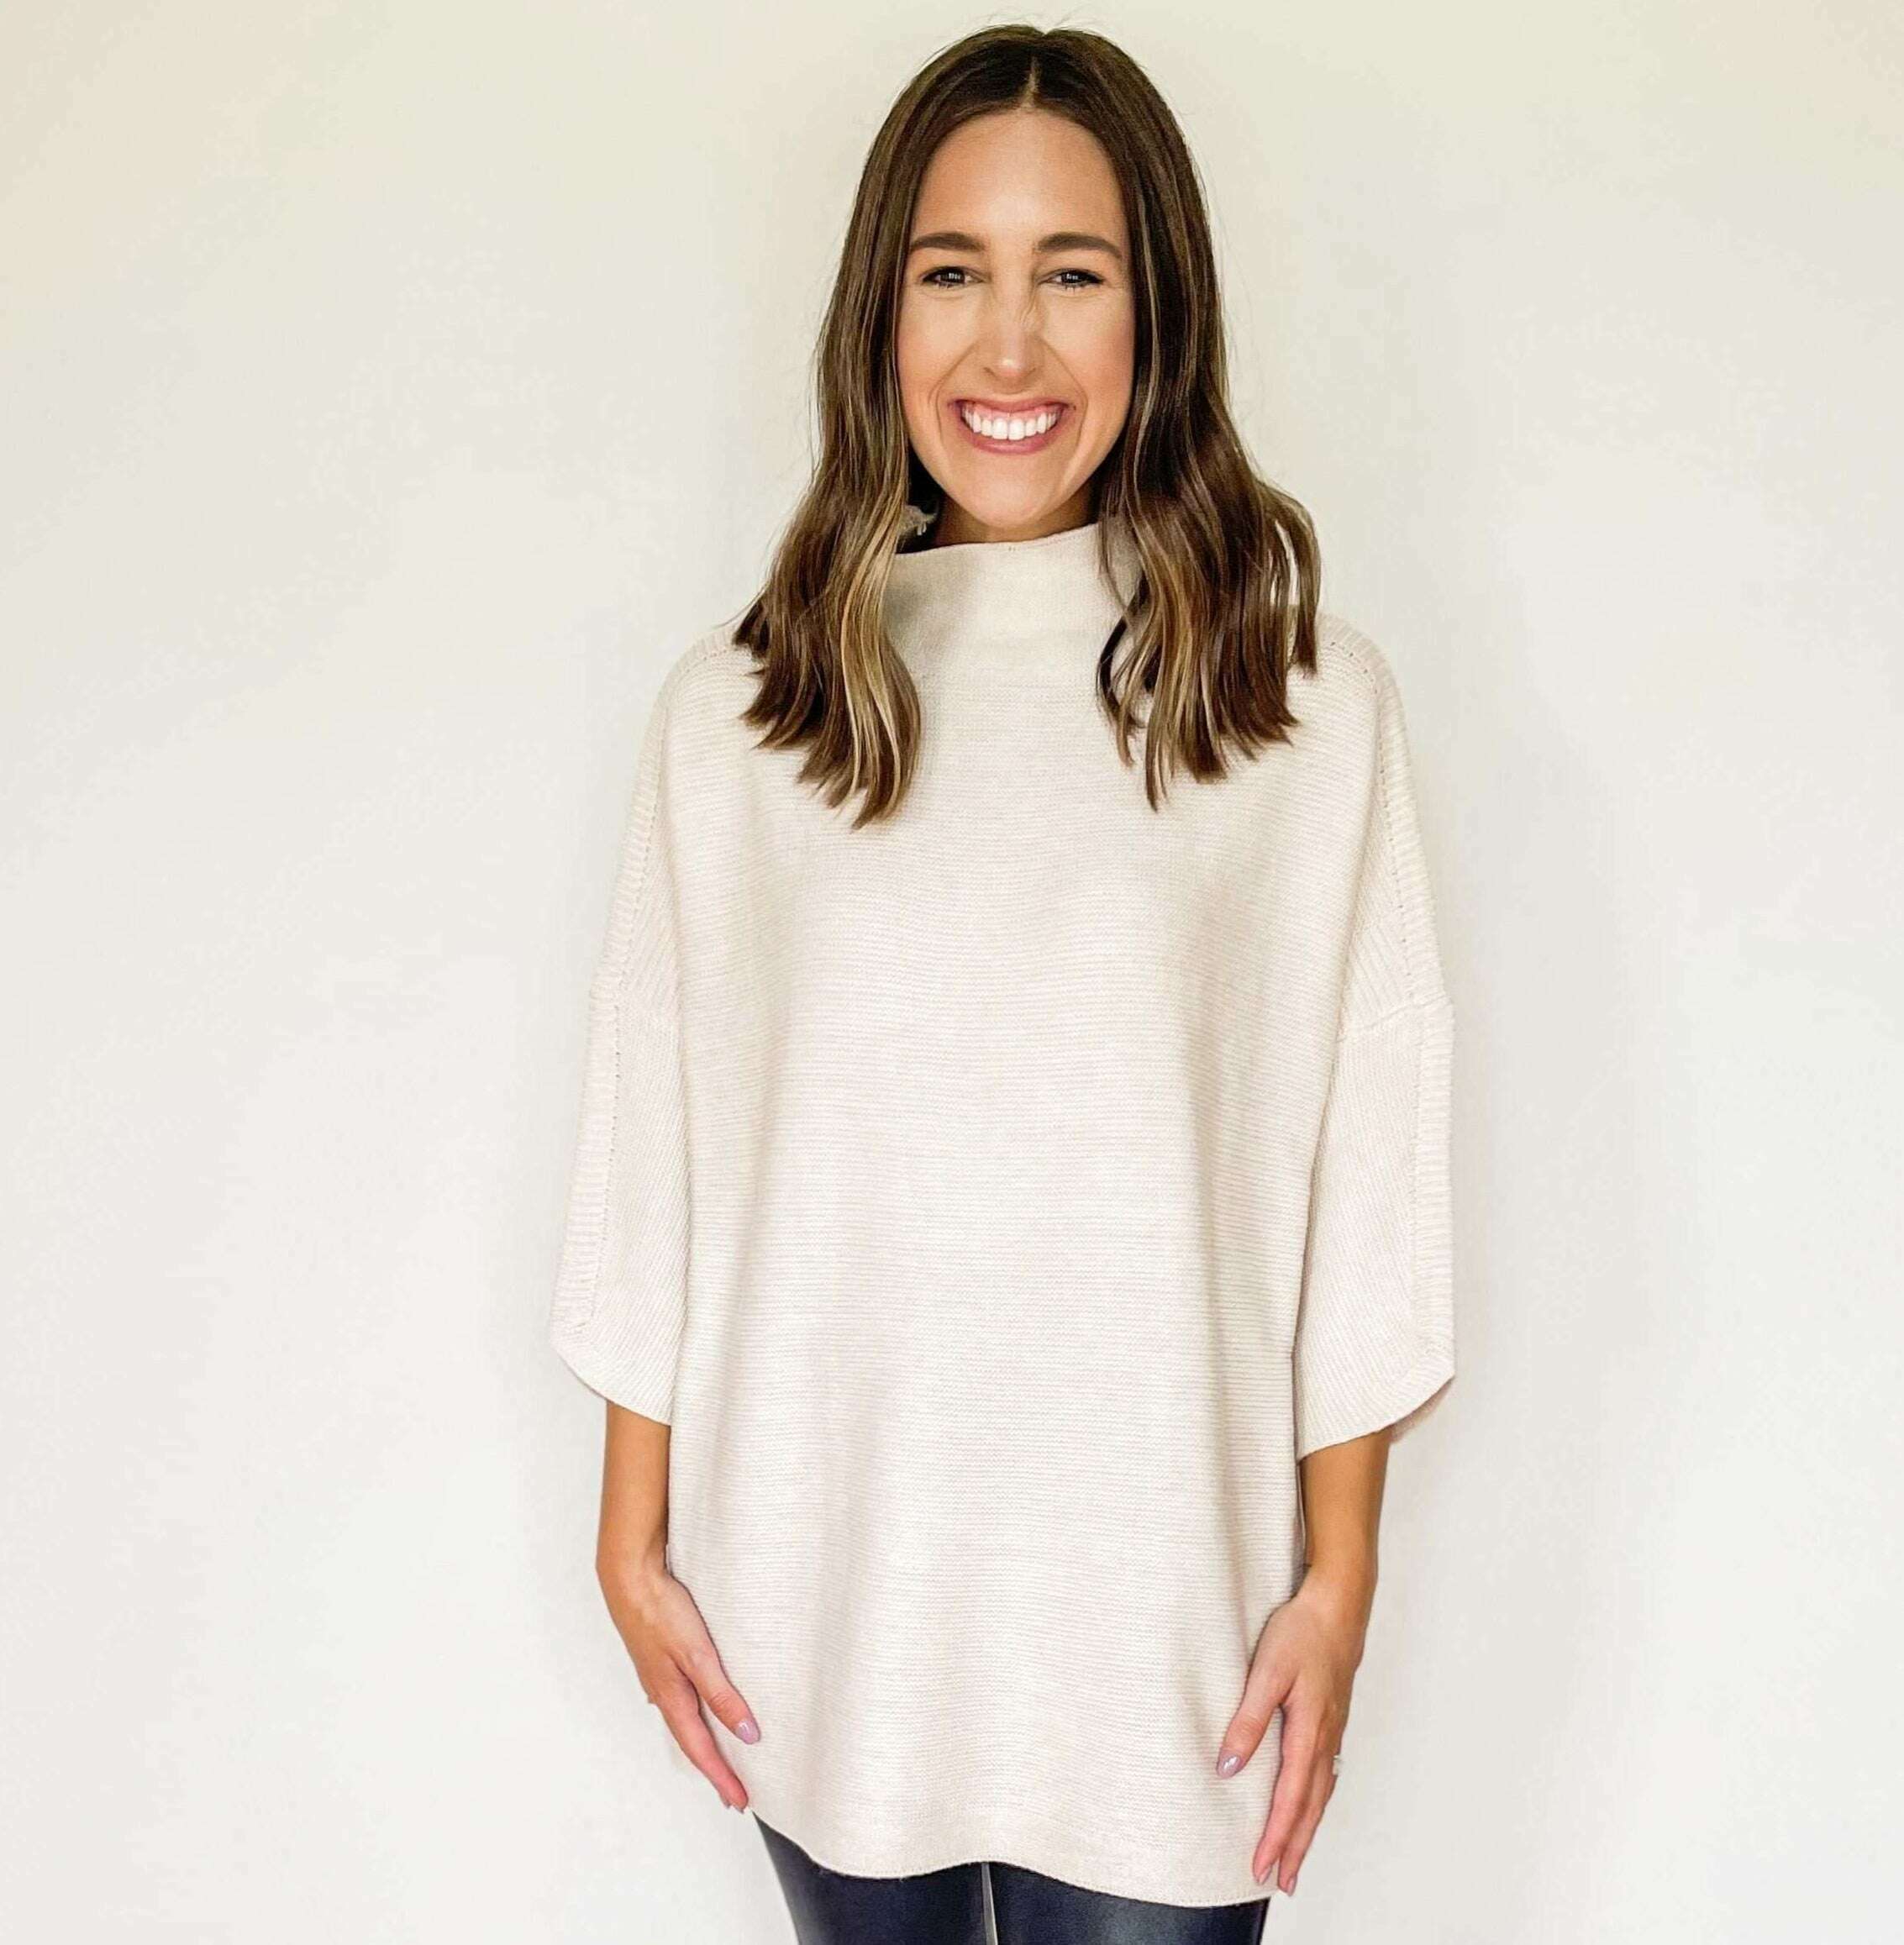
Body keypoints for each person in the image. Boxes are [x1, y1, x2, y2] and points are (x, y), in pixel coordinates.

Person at [549, 22, 1456, 1943]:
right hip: (829, 1593)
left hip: (1169, 1616)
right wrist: (630, 1539)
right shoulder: (743, 715)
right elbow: (657, 1146)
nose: (1011, 348)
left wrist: (1341, 1580)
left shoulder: (1293, 700)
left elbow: (1368, 1169)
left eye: (1076, 274)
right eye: (954, 272)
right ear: (881, 312)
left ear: (1160, 312)